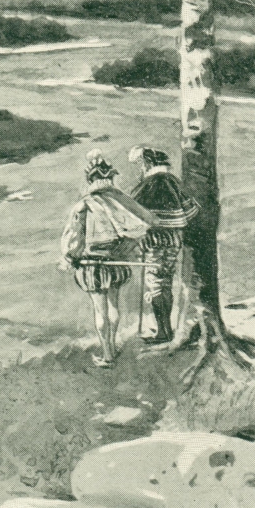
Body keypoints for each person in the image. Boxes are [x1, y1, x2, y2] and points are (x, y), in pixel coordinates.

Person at [61, 149, 155, 367]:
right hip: (113, 262)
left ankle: (108, 354)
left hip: (92, 265)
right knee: (113, 304)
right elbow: (141, 227)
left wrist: (70, 258)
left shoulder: (84, 204)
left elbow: (73, 237)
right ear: (110, 177)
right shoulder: (121, 201)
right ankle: (111, 346)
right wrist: (124, 250)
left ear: (90, 179)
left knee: (100, 308)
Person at [128, 145, 199, 345]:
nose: (141, 169)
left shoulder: (147, 185)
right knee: (164, 282)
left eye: (142, 164)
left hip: (154, 243)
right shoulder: (174, 182)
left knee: (156, 284)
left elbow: (131, 214)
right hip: (174, 241)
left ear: (149, 163)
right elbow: (191, 210)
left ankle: (163, 331)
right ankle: (165, 328)